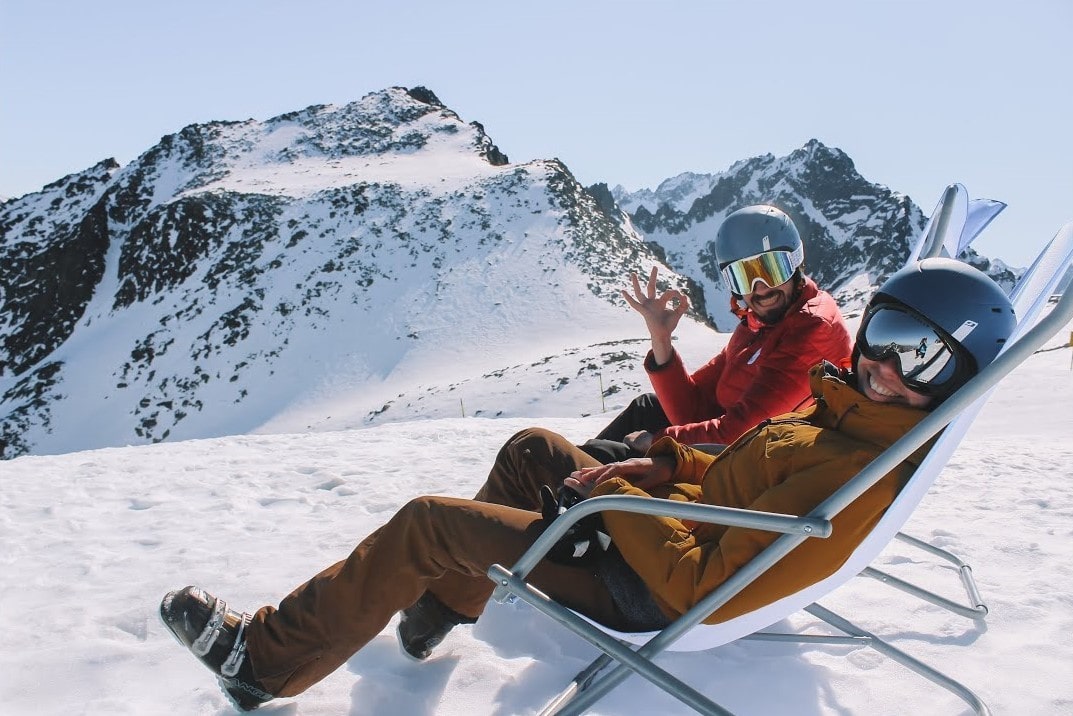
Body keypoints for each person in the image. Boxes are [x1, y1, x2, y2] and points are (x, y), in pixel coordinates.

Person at [160, 257, 1015, 711]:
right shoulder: (847, 420)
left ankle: (265, 661)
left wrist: (618, 503)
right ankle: (441, 607)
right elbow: (740, 473)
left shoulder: (854, 465)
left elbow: (703, 591)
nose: (884, 365)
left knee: (429, 522)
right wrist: (666, 464)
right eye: (886, 334)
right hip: (661, 531)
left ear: (958, 372)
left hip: (649, 587)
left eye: (921, 355)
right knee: (536, 447)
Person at [581, 204, 852, 463]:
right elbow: (693, 408)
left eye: (771, 269)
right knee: (647, 408)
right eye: (744, 277)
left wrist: (658, 440)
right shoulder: (756, 326)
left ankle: (565, 491)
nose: (760, 289)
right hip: (739, 451)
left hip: (765, 463)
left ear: (795, 262)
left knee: (607, 453)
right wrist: (661, 339)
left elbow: (738, 435)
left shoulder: (813, 331)